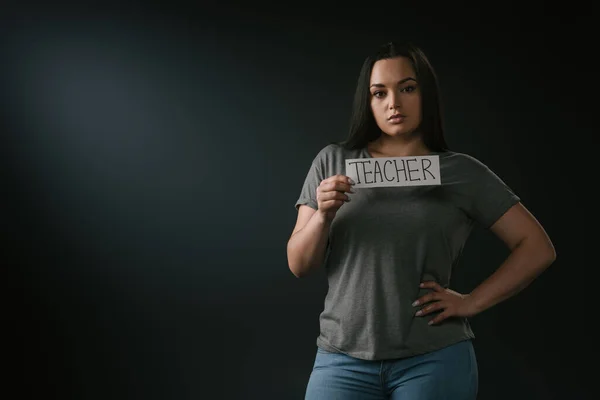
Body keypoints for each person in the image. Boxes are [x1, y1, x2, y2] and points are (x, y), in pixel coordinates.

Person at [286, 41, 556, 400]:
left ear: (425, 94)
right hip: (341, 359)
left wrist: (471, 301)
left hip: (433, 359)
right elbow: (299, 265)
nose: (393, 103)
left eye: (407, 88)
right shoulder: (332, 161)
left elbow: (537, 247)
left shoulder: (462, 172)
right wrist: (323, 216)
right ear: (367, 103)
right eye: (379, 93)